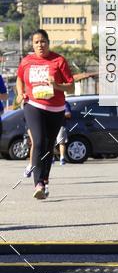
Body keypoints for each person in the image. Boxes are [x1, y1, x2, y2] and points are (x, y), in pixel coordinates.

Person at [16, 29, 74, 199]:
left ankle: (45, 180)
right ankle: (38, 184)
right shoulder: (27, 61)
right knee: (39, 141)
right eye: (36, 42)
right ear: (32, 45)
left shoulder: (59, 61)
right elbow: (19, 78)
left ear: (48, 43)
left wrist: (57, 85)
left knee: (49, 146)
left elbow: (70, 87)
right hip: (33, 104)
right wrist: (20, 93)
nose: (40, 45)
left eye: (43, 41)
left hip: (55, 109)